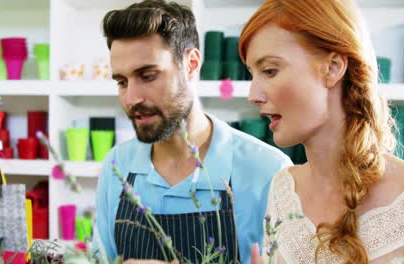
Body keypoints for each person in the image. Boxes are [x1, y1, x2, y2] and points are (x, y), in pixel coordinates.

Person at [93, 0, 292, 263]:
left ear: (191, 63)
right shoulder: (116, 167)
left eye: (149, 76)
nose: (131, 98)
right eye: (122, 82)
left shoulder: (269, 170)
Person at [238, 0, 404, 263]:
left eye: (270, 71)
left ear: (333, 68)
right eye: (252, 74)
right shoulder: (284, 190)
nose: (253, 95)